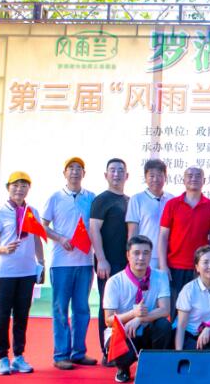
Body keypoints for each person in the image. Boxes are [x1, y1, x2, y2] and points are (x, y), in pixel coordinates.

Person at [41, 157, 97, 370]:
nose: (75, 172)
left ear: (84, 173)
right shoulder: (55, 197)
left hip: (85, 262)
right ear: (64, 173)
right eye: (71, 168)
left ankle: (78, 352)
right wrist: (60, 238)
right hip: (61, 263)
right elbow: (43, 226)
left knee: (82, 308)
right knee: (60, 309)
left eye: (79, 168)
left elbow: (96, 226)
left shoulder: (91, 197)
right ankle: (61, 355)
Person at [0, 172, 45, 376]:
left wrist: (41, 264)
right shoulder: (0, 212)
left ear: (28, 189)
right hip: (5, 273)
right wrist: (3, 249)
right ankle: (3, 357)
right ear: (8, 188)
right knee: (2, 315)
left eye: (24, 186)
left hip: (27, 272)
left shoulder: (32, 212)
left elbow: (37, 239)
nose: (19, 189)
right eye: (15, 185)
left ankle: (18, 356)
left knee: (22, 315)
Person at [102, 235, 172, 383]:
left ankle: (153, 366)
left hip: (147, 329)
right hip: (123, 332)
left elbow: (165, 310)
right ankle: (123, 368)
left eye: (146, 253)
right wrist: (132, 314)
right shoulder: (114, 282)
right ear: (128, 255)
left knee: (164, 325)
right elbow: (108, 320)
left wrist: (139, 318)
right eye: (136, 253)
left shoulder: (160, 277)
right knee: (121, 352)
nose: (141, 258)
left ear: (151, 255)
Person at [158, 166, 210, 319]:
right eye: (190, 175)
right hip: (175, 267)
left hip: (200, 268)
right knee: (175, 310)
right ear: (183, 180)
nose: (194, 178)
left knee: (198, 311)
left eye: (198, 176)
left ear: (204, 181)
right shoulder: (172, 204)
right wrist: (163, 265)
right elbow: (163, 236)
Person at [89, 158, 130, 362]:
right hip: (108, 262)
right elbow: (94, 229)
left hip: (127, 263)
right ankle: (107, 351)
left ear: (127, 176)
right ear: (106, 175)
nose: (116, 174)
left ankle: (122, 350)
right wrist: (101, 258)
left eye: (120, 170)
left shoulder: (129, 200)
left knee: (124, 306)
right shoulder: (101, 200)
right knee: (108, 306)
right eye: (112, 170)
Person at [175, 246, 210, 351]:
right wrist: (178, 353)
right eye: (205, 262)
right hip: (189, 334)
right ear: (197, 267)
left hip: (208, 332)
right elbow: (181, 326)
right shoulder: (188, 289)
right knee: (205, 355)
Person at [126, 159, 173, 269]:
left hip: (169, 255)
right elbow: (133, 231)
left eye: (159, 175)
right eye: (151, 176)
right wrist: (132, 255)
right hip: (146, 256)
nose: (155, 179)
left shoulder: (172, 199)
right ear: (145, 178)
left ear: (165, 177)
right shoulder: (137, 199)